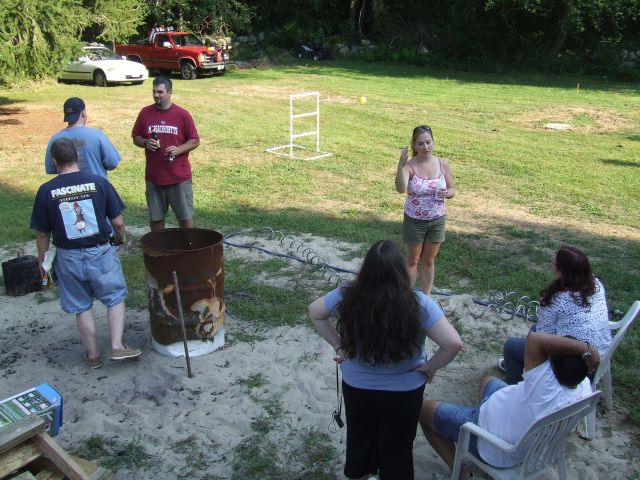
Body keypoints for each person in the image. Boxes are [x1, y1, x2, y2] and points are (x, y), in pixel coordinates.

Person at [309, 240, 464, 480]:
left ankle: (363, 473)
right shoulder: (419, 304)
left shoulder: (346, 295)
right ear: (401, 272)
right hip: (405, 391)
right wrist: (431, 367)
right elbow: (453, 344)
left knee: (360, 439)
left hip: (358, 387)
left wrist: (338, 345)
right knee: (398, 448)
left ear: (365, 270)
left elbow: (315, 312)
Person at [420, 331, 599, 480]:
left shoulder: (543, 385)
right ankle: (480, 418)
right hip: (531, 445)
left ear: (551, 367)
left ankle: (461, 474)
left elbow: (535, 339)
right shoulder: (584, 388)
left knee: (423, 410)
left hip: (496, 448)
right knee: (488, 381)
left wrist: (586, 349)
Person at [31, 138, 141, 369]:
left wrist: (43, 261)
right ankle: (116, 345)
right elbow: (118, 222)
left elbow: (42, 234)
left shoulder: (46, 191)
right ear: (78, 156)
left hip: (68, 257)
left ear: (54, 161)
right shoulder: (98, 182)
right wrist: (120, 237)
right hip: (100, 252)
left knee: (80, 306)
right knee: (114, 297)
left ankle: (93, 355)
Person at [499, 245, 611, 384]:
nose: (552, 259)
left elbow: (542, 337)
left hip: (572, 367)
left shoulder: (555, 300)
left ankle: (515, 386)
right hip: (601, 355)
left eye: (554, 260)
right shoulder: (597, 284)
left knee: (511, 347)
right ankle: (521, 367)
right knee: (533, 330)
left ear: (562, 270)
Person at [132, 76, 200, 232]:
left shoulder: (182, 114)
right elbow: (136, 137)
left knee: (185, 218)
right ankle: (159, 246)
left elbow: (195, 140)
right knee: (156, 219)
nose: (156, 95)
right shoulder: (145, 113)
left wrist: (178, 150)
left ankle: (188, 244)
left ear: (170, 92)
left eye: (160, 92)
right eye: (154, 92)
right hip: (154, 178)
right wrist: (145, 142)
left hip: (178, 177)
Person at [395, 125, 455, 295]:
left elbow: (452, 189)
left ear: (433, 142)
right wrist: (400, 165)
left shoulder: (442, 164)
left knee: (429, 260)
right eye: (420, 143)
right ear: (414, 145)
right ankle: (406, 297)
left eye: (428, 142)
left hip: (436, 220)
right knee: (413, 260)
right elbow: (400, 188)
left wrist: (448, 193)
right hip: (414, 221)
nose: (425, 147)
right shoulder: (409, 166)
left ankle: (426, 297)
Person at [45, 97, 121, 179]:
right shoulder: (96, 135)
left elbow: (51, 169)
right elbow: (113, 163)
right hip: (96, 185)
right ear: (83, 113)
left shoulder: (55, 139)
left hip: (67, 186)